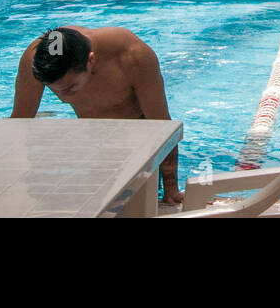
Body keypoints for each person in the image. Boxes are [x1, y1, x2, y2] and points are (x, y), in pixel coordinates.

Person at [11, 26, 182, 204]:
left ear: (91, 61)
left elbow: (163, 127)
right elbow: (18, 125)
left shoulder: (133, 56)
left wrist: (171, 190)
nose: (63, 96)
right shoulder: (35, 61)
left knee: (141, 201)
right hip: (94, 141)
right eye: (55, 90)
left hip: (137, 139)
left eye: (70, 88)